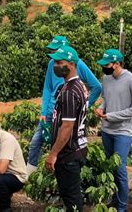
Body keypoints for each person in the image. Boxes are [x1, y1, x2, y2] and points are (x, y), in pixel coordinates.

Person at [26, 35, 101, 175]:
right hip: (50, 112)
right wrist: (43, 111)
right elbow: (48, 88)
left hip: (67, 113)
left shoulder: (77, 65)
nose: (54, 57)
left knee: (64, 145)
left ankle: (58, 175)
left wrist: (85, 106)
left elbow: (96, 86)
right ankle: (30, 175)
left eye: (57, 51)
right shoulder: (52, 65)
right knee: (36, 142)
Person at [95, 49, 132, 212]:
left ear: (117, 64)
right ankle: (115, 201)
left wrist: (113, 116)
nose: (105, 68)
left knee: (119, 167)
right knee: (111, 167)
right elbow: (106, 99)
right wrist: (101, 108)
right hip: (107, 129)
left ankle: (123, 205)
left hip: (123, 131)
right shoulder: (106, 78)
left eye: (107, 65)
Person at [44, 45, 88, 212]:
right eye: (55, 62)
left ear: (71, 64)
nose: (55, 65)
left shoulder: (70, 91)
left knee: (71, 199)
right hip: (77, 148)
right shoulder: (78, 86)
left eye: (60, 62)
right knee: (72, 196)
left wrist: (53, 153)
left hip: (68, 152)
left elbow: (67, 127)